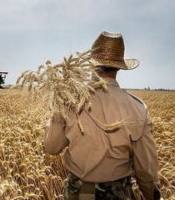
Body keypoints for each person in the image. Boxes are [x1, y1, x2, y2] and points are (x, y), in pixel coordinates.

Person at [44, 31, 161, 200]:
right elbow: (146, 169)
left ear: (91, 64)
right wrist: (151, 195)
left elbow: (51, 147)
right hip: (117, 194)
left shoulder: (69, 102)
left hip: (76, 193)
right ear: (119, 67)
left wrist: (57, 111)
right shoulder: (137, 108)